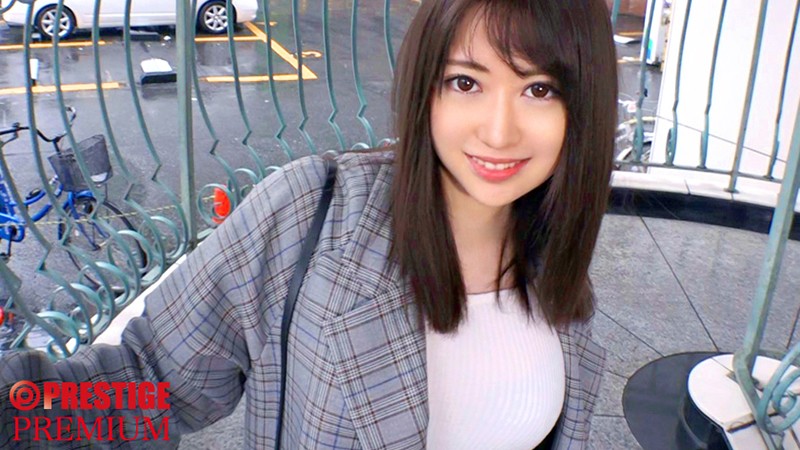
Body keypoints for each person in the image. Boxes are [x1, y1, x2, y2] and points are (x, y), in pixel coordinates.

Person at [0, 0, 617, 448]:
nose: (499, 132)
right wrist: (16, 405)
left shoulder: (555, 247)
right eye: (465, 82)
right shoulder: (312, 213)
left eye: (539, 90)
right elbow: (148, 380)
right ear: (424, 91)